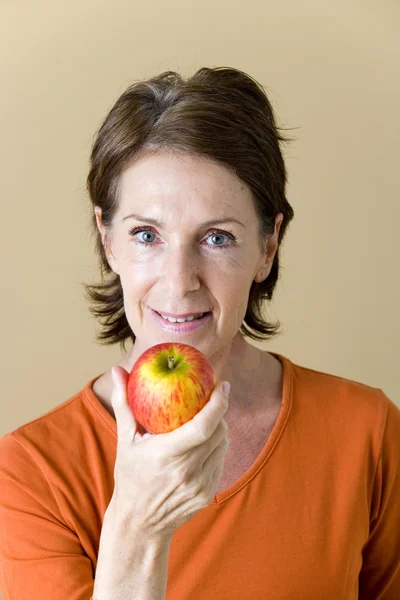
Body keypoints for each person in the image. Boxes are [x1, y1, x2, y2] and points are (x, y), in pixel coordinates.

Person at [0, 67, 399, 600]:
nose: (178, 281)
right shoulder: (29, 475)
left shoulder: (367, 432)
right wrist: (138, 527)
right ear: (108, 240)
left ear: (267, 247)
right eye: (146, 234)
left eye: (216, 237)